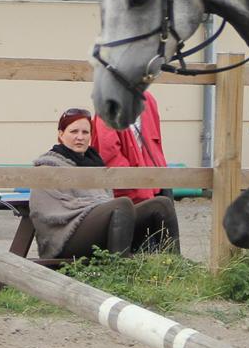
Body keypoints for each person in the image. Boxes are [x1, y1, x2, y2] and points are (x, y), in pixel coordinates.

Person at [29, 108, 179, 259]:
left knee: (161, 204)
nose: (80, 137)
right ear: (61, 134)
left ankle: (174, 265)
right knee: (122, 205)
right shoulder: (48, 166)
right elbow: (45, 212)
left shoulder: (96, 164)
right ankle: (120, 267)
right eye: (74, 131)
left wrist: (99, 208)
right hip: (65, 236)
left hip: (97, 228)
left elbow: (104, 203)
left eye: (85, 132)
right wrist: (94, 207)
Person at [91, 90, 180, 251]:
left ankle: (172, 263)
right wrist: (139, 184)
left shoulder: (148, 100)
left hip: (155, 181)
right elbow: (109, 153)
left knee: (164, 235)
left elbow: (155, 143)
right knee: (141, 245)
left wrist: (159, 174)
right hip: (128, 188)